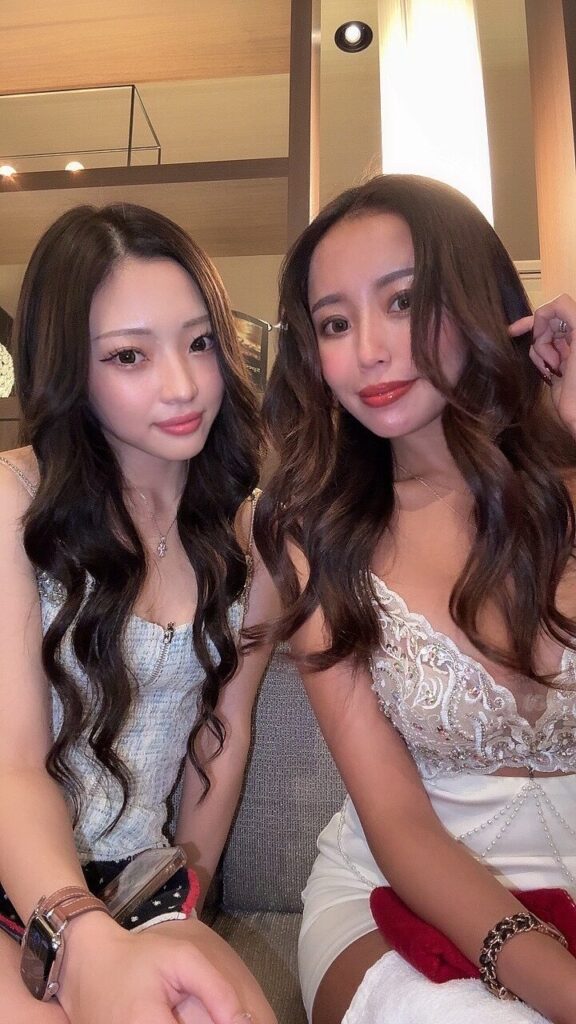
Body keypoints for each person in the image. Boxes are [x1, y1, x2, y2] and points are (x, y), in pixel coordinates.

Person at [254, 174, 576, 1024]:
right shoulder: (316, 535)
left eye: (403, 302)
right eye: (335, 323)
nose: (368, 351)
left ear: (477, 301)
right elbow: (398, 821)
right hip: (398, 899)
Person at [0, 202, 278, 1024]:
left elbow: (222, 736)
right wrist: (80, 933)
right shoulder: (15, 503)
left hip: (141, 878)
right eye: (129, 355)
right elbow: (14, 763)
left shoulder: (252, 537)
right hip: (16, 873)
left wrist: (185, 903)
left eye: (200, 343)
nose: (183, 385)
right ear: (70, 370)